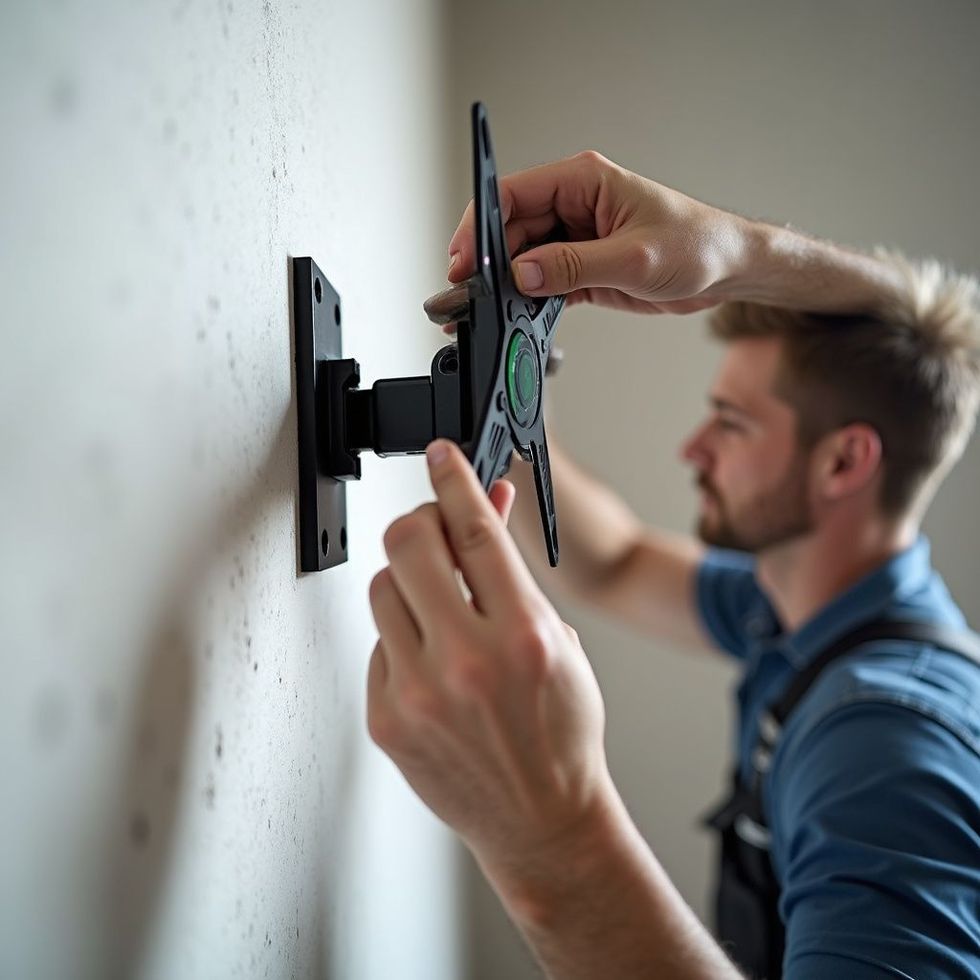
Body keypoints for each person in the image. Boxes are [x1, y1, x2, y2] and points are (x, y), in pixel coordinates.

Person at [366, 151, 980, 979]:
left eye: (729, 423)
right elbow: (613, 562)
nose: (692, 449)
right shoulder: (801, 610)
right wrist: (502, 404)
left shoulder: (885, 744)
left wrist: (552, 837)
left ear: (844, 464)